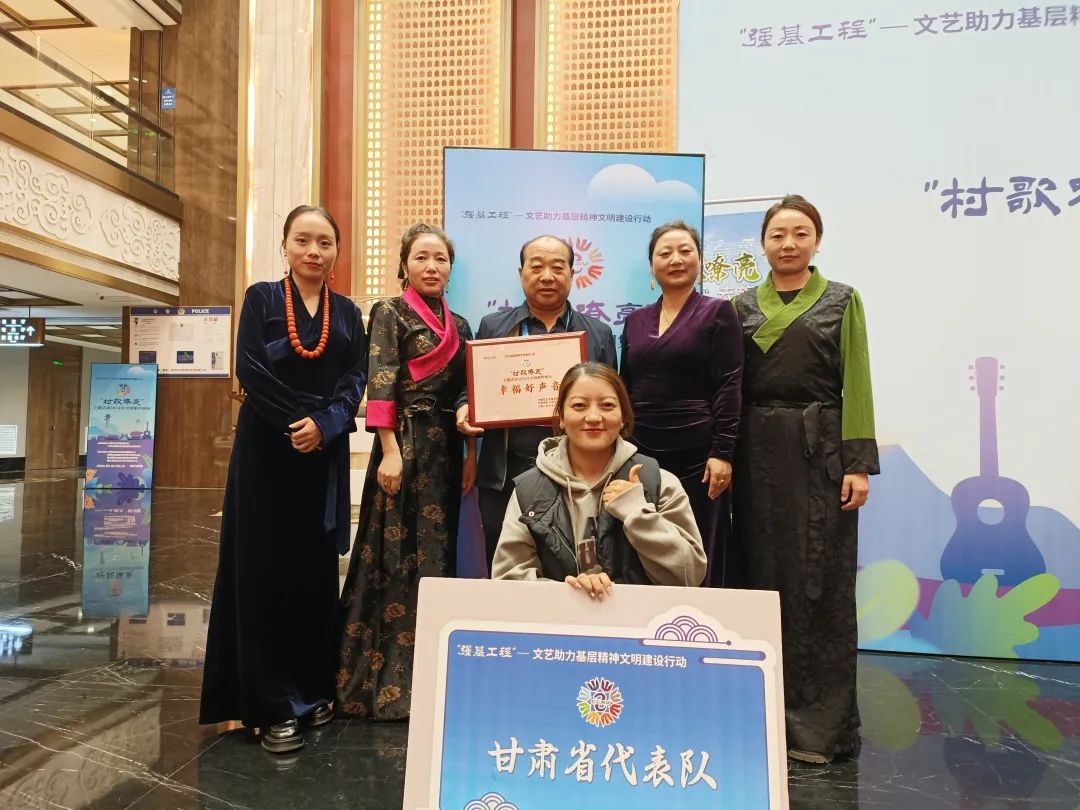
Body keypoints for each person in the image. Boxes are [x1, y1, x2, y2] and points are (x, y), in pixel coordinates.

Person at [200, 205, 367, 754]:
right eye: (303, 240)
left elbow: (355, 377)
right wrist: (301, 421)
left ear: (336, 250)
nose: (314, 251)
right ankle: (271, 705)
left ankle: (312, 691)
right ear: (285, 246)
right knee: (263, 572)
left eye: (325, 242)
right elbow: (250, 368)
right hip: (267, 451)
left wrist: (327, 425)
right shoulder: (262, 299)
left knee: (313, 574)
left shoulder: (348, 313)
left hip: (321, 455)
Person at [731, 195, 879, 765]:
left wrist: (857, 463)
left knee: (820, 581)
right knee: (760, 573)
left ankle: (820, 728)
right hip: (756, 454)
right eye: (777, 234)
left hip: (821, 453)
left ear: (817, 241)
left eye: (800, 233)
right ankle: (761, 715)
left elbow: (856, 383)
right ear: (762, 244)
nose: (788, 243)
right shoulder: (740, 307)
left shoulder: (843, 301)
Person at [337, 223, 474, 720]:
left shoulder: (462, 324)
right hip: (405, 444)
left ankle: (432, 677)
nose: (432, 267)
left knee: (437, 556)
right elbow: (381, 380)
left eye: (441, 259)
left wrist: (471, 452)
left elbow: (468, 390)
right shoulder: (389, 311)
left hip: (446, 451)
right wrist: (389, 450)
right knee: (393, 557)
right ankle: (380, 683)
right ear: (404, 264)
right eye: (421, 257)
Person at [456, 235, 617, 571]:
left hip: (575, 473)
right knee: (506, 565)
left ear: (571, 274)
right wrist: (465, 407)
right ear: (521, 273)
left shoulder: (598, 333)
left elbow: (611, 401)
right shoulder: (494, 326)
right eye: (537, 266)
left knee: (572, 566)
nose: (547, 276)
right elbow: (471, 389)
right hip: (506, 473)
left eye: (558, 267)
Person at [492, 362, 706, 594]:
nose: (593, 417)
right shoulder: (529, 491)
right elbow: (508, 580)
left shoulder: (658, 482)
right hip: (559, 618)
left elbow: (689, 576)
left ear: (623, 416)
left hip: (639, 616)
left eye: (607, 405)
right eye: (579, 406)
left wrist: (638, 514)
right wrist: (572, 593)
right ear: (561, 416)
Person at [620, 221, 744, 587]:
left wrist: (723, 453)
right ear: (651, 266)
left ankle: (701, 619)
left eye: (685, 251)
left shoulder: (719, 312)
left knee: (701, 540)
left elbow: (730, 384)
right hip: (642, 450)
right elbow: (624, 385)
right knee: (646, 539)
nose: (675, 259)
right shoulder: (634, 321)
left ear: (700, 259)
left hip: (699, 453)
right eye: (665, 253)